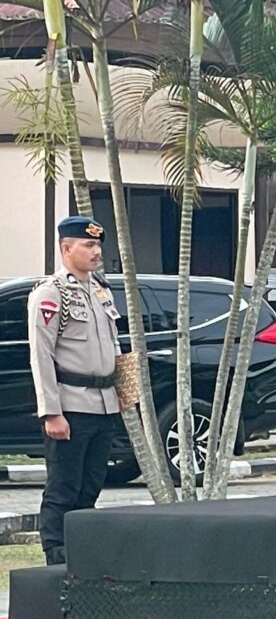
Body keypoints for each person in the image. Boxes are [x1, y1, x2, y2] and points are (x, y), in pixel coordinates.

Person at [28, 217, 122, 565]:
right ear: (66, 248)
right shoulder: (51, 293)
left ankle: (81, 553)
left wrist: (124, 393)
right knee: (63, 487)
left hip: (104, 404)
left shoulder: (100, 290)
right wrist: (51, 412)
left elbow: (114, 345)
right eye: (88, 245)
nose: (96, 251)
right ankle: (56, 555)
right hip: (71, 405)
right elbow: (41, 355)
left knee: (91, 485)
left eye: (98, 245)